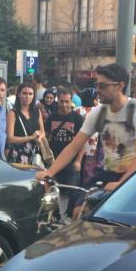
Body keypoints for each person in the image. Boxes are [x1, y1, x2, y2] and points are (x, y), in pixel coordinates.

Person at [36, 63, 136, 193]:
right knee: (78, 209)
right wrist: (50, 172)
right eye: (97, 85)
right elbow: (73, 147)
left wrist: (120, 183)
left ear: (120, 86)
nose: (98, 90)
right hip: (110, 172)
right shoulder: (98, 112)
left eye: (103, 86)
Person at [45, 87, 86, 215]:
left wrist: (78, 161)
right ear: (58, 101)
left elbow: (82, 143)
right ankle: (54, 215)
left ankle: (70, 215)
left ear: (71, 101)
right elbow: (46, 137)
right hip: (55, 161)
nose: (64, 105)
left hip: (72, 162)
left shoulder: (78, 119)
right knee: (54, 190)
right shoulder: (52, 117)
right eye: (62, 101)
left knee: (72, 191)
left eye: (67, 101)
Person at [6, 82, 46, 166]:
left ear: (34, 96)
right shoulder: (13, 113)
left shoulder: (37, 111)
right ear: (19, 95)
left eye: (30, 94)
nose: (27, 96)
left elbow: (43, 132)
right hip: (18, 154)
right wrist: (30, 137)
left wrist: (39, 137)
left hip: (35, 153)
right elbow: (10, 138)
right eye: (24, 93)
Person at [76, 87, 101, 190]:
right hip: (93, 148)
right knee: (88, 175)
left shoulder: (77, 110)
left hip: (78, 146)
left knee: (78, 174)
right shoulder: (98, 109)